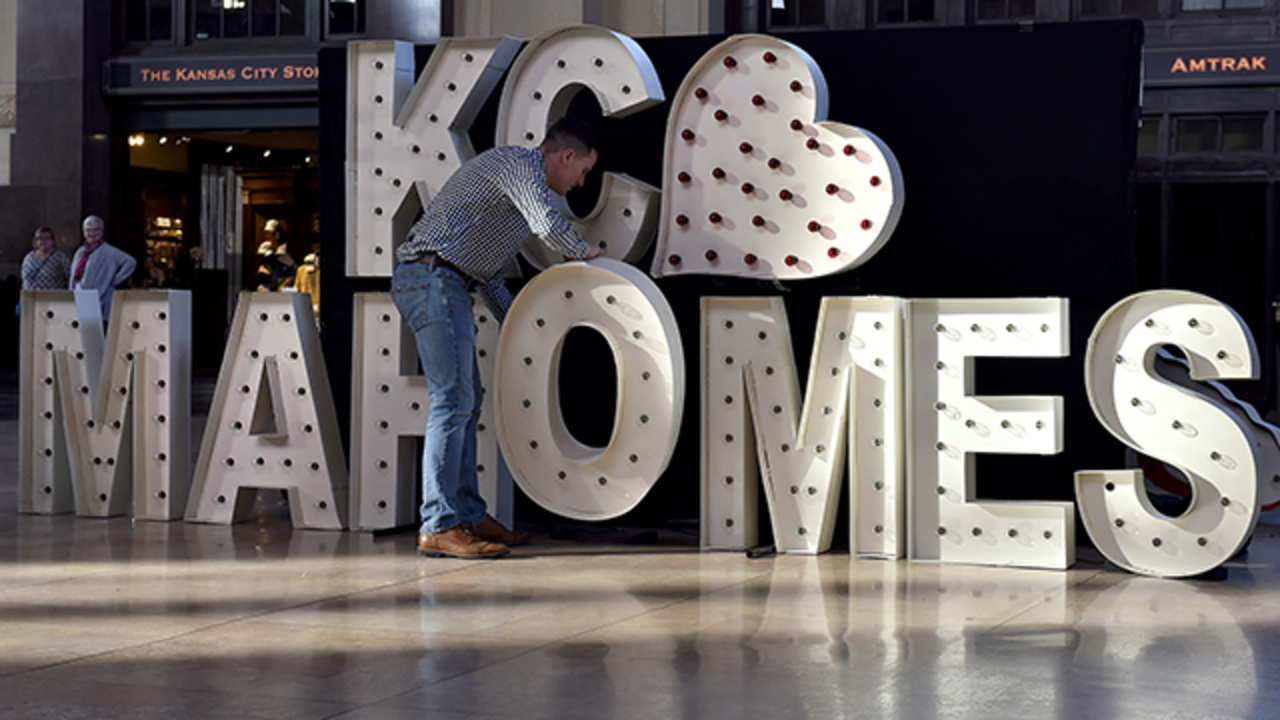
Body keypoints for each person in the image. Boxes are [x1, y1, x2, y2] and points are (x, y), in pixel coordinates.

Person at [391, 116, 601, 559]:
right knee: (453, 401)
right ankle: (439, 524)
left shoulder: (514, 197)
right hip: (433, 278)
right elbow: (547, 226)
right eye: (582, 172)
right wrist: (586, 253)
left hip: (444, 280)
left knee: (466, 400)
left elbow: (488, 277)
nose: (581, 184)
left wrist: (519, 326)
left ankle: (467, 515)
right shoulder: (519, 166)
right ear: (565, 157)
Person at [70, 215, 136, 321]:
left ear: (101, 232)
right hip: (80, 297)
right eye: (88, 230)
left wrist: (114, 280)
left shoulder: (109, 251)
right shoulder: (81, 251)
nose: (91, 234)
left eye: (95, 230)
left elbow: (130, 262)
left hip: (99, 299)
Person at [22, 226, 71, 292]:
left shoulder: (60, 258)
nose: (43, 241)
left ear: (52, 241)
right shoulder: (29, 258)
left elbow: (69, 276)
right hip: (32, 297)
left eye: (46, 238)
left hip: (53, 297)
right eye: (39, 238)